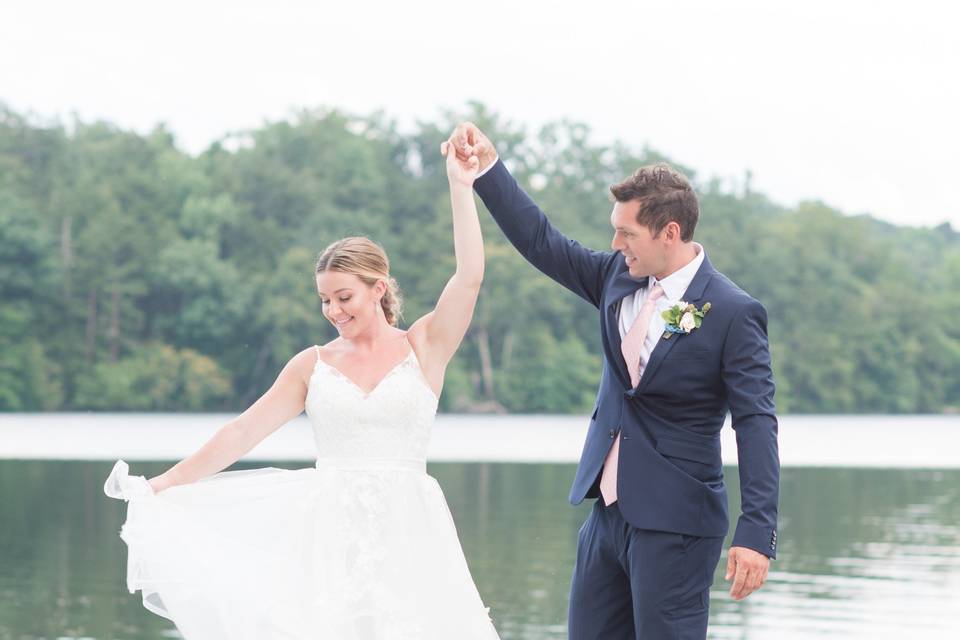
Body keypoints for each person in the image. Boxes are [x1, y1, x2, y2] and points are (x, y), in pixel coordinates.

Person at [103, 140, 500, 639]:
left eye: (344, 296)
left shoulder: (425, 346)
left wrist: (460, 186)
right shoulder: (311, 366)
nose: (333, 310)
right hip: (329, 537)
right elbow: (243, 431)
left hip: (410, 529)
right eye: (324, 299)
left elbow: (469, 276)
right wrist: (166, 482)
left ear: (379, 288)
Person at [448, 122, 780, 639]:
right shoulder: (614, 277)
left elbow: (756, 421)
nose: (615, 242)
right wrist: (488, 170)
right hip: (605, 515)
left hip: (678, 525)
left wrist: (757, 531)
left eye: (627, 232)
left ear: (669, 232)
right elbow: (541, 241)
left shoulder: (734, 312)